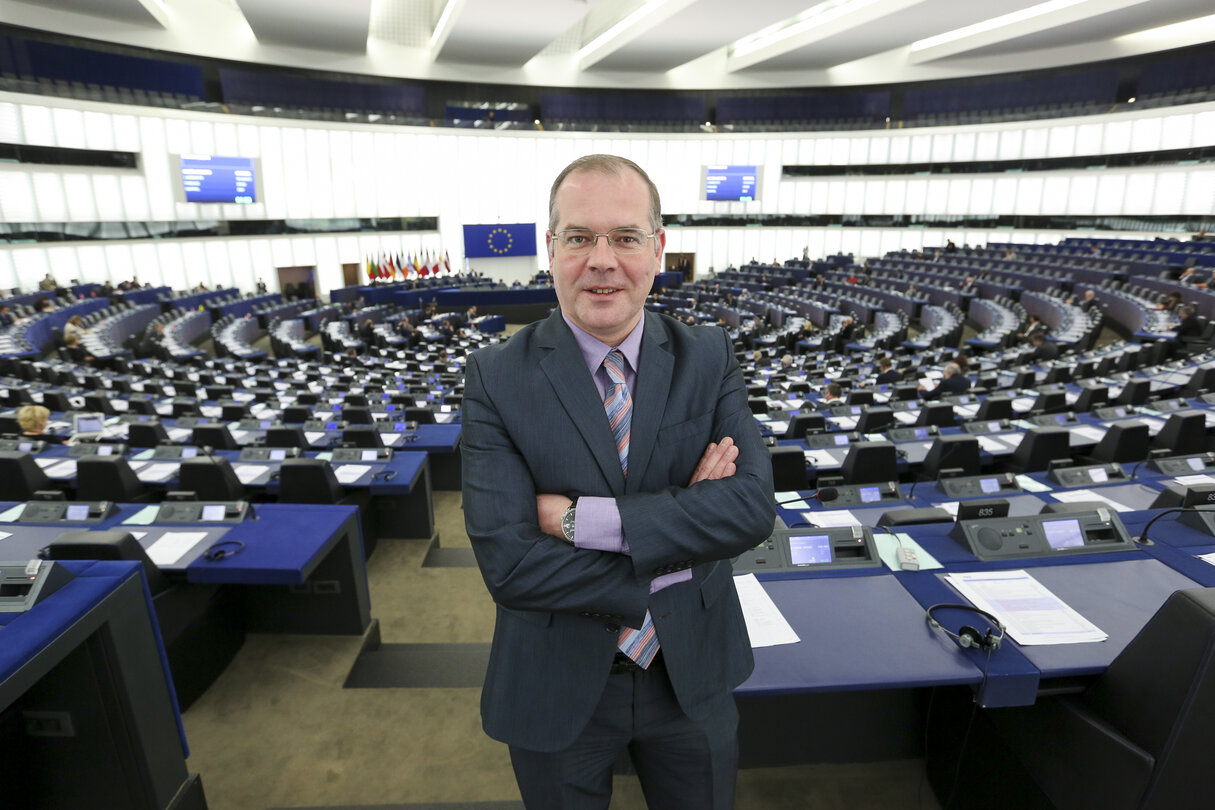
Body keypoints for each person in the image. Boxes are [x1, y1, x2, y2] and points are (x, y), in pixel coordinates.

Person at [461, 154, 774, 809]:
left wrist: (579, 523)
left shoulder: (708, 356)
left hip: (693, 670)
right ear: (550, 250)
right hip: (553, 681)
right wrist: (682, 537)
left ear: (658, 250)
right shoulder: (495, 375)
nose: (601, 259)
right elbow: (510, 567)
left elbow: (748, 511)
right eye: (578, 237)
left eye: (625, 237)